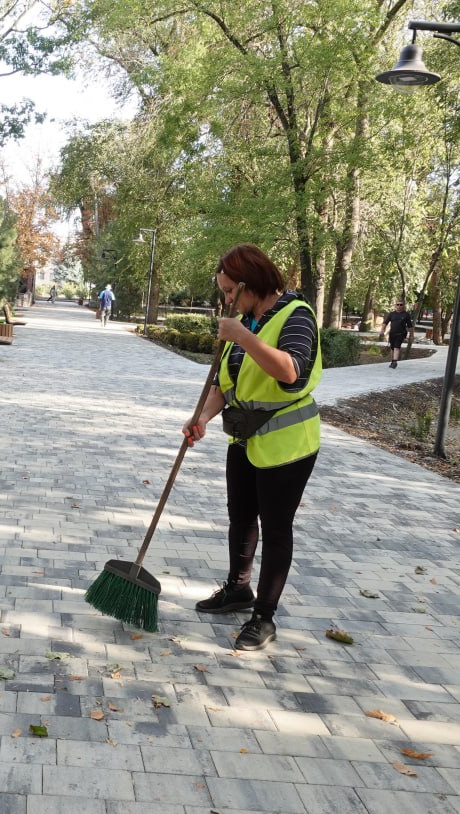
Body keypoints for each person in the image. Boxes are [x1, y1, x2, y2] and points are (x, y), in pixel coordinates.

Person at [181, 243, 321, 651]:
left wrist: (242, 336)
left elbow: (290, 372)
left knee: (276, 529)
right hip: (245, 436)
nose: (227, 300)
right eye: (225, 292)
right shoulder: (246, 319)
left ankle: (264, 617)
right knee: (241, 517)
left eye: (230, 291)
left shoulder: (296, 316)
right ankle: (238, 589)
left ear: (252, 282)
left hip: (288, 444)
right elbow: (223, 384)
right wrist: (202, 418)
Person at [378, 300, 413, 368]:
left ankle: (395, 362)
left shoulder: (406, 314)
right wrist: (382, 330)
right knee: (392, 348)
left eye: (401, 305)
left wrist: (411, 335)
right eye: (398, 304)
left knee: (397, 347)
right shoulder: (391, 314)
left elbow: (410, 326)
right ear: (395, 305)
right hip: (392, 334)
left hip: (401, 334)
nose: (399, 306)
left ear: (403, 306)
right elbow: (385, 323)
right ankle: (392, 362)